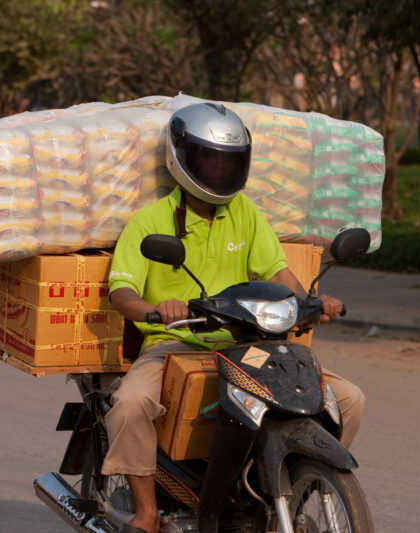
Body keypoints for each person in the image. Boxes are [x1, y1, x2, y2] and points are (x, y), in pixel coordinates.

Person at [103, 102, 366, 533]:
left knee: (349, 399)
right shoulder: (150, 221)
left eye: (229, 161)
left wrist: (312, 301)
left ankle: (296, 484)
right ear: (181, 158)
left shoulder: (245, 213)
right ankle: (147, 512)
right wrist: (157, 310)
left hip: (245, 343)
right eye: (209, 159)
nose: (219, 170)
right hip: (177, 342)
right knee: (131, 404)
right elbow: (122, 293)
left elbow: (277, 271)